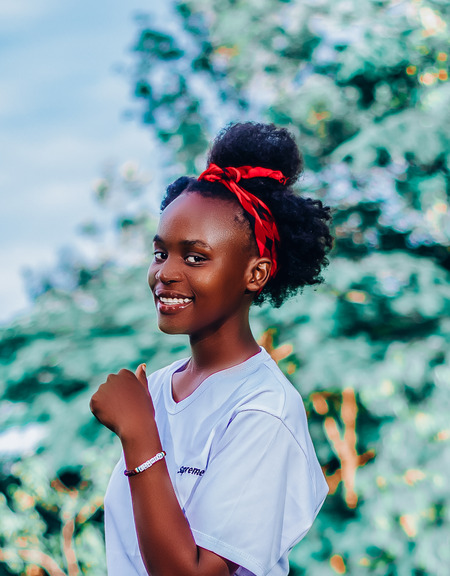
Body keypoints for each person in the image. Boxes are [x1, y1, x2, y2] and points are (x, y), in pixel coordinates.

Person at [90, 121, 333, 576]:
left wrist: (140, 434)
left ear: (255, 274)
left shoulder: (263, 409)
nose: (166, 273)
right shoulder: (156, 390)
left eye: (195, 257)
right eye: (161, 253)